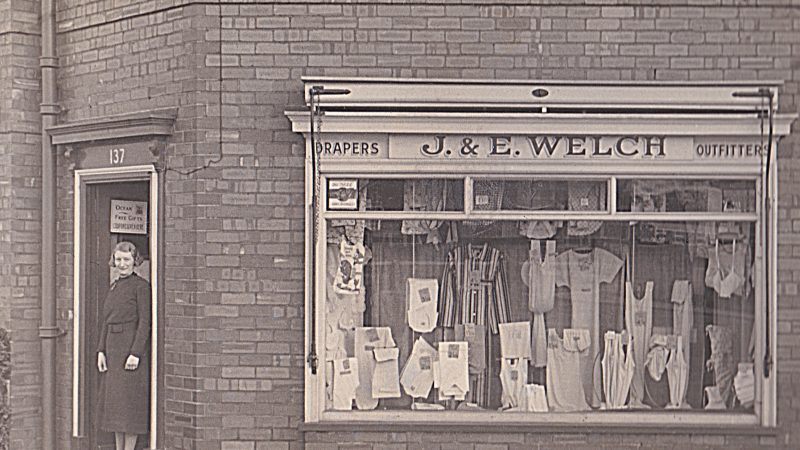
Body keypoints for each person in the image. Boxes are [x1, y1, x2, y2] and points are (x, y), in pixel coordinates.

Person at [97, 241, 151, 450]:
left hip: (129, 349)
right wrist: (101, 350)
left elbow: (145, 322)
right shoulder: (114, 286)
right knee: (116, 408)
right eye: (118, 259)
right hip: (113, 349)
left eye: (126, 259)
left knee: (129, 407)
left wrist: (136, 353)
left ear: (135, 261)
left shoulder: (141, 287)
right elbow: (106, 321)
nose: (122, 264)